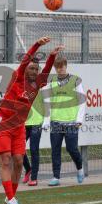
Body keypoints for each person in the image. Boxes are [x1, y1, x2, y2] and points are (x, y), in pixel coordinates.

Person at [0, 37, 64, 204]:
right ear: (25, 70)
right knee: (6, 159)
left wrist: (52, 56)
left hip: (19, 127)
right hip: (3, 123)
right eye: (31, 68)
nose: (33, 71)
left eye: (36, 69)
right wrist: (38, 44)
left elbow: (46, 70)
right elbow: (25, 60)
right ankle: (11, 199)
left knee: (18, 161)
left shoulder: (38, 83)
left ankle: (11, 197)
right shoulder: (17, 78)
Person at [42, 56, 86, 186]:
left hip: (71, 122)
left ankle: (80, 168)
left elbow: (82, 101)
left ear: (66, 66)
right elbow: (47, 102)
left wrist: (79, 119)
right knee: (55, 150)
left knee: (72, 149)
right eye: (57, 67)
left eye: (61, 66)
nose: (59, 69)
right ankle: (56, 177)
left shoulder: (75, 80)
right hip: (55, 122)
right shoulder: (51, 81)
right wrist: (46, 120)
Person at [22, 87, 45, 186]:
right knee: (18, 149)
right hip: (23, 123)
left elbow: (47, 104)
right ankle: (28, 169)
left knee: (34, 149)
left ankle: (34, 177)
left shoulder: (41, 87)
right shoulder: (21, 87)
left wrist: (45, 120)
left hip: (37, 122)